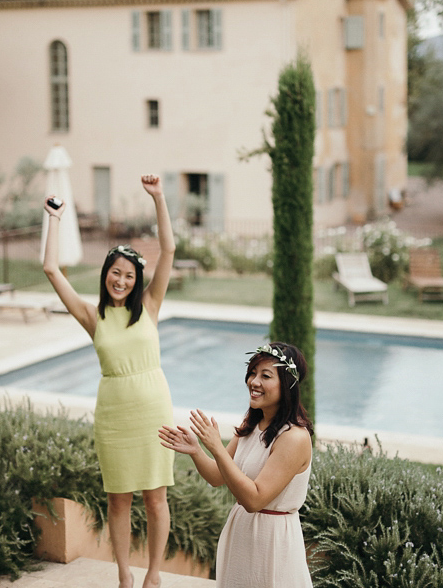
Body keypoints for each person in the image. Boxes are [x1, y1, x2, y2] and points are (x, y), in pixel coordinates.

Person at [43, 174, 175, 588]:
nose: (121, 281)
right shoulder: (91, 315)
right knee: (118, 500)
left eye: (129, 276)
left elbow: (169, 248)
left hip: (153, 408)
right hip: (114, 416)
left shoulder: (150, 305)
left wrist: (158, 197)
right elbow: (50, 268)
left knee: (156, 499)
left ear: (137, 281)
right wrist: (54, 219)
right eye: (115, 274)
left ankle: (153, 574)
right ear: (106, 274)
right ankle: (124, 575)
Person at [160, 342, 314, 588]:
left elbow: (254, 500)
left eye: (265, 375)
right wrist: (196, 450)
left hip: (272, 541)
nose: (254, 381)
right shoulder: (252, 423)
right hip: (241, 534)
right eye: (253, 373)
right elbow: (216, 476)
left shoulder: (294, 437)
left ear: (287, 384)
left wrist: (217, 448)